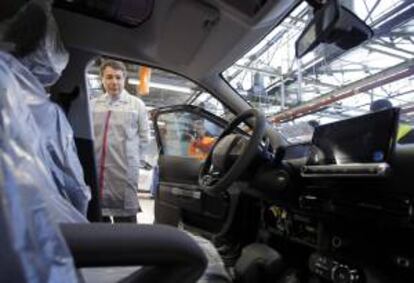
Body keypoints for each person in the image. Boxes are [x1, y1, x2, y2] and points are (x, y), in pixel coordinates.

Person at [91, 60, 150, 223]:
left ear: (124, 79)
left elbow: (145, 138)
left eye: (118, 77)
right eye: (109, 77)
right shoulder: (93, 105)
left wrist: (137, 163)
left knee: (125, 222)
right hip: (97, 170)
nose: (114, 82)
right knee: (98, 219)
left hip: (125, 171)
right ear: (102, 79)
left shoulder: (136, 105)